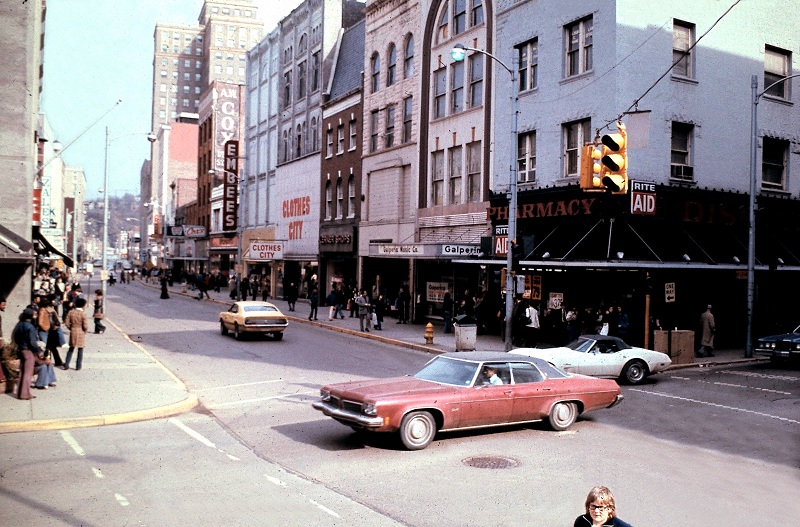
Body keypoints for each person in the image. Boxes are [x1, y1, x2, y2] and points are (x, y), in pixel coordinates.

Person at [12, 308, 42, 400]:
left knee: (22, 372)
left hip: (21, 349)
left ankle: (20, 393)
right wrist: (38, 351)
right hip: (28, 351)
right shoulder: (30, 326)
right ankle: (25, 394)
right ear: (30, 316)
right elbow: (33, 342)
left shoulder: (19, 324)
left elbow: (14, 337)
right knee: (28, 374)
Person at [62, 297, 89, 371]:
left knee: (71, 348)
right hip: (81, 332)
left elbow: (66, 322)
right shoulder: (83, 314)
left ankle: (66, 364)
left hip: (73, 331)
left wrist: (71, 328)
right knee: (80, 349)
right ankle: (78, 366)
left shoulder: (71, 312)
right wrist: (85, 331)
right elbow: (86, 326)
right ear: (83, 305)